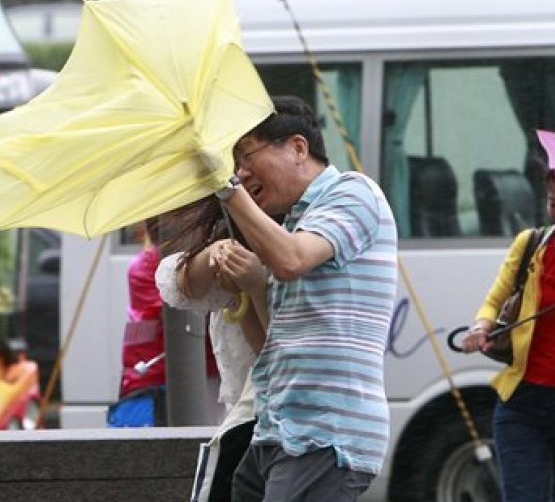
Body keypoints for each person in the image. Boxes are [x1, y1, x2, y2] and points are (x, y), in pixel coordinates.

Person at [213, 95, 399, 502]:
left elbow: (292, 260)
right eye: (233, 166)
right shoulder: (294, 224)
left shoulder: (354, 193)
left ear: (298, 148)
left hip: (327, 433)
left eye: (246, 157)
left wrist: (226, 190)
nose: (241, 174)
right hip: (278, 429)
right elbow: (271, 347)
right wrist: (248, 284)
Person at [461, 169, 555, 502]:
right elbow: (494, 301)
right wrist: (481, 329)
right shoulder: (531, 246)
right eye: (552, 202)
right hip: (524, 405)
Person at [155, 195, 271, 502]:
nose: (244, 173)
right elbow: (181, 284)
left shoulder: (293, 242)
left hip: (270, 414)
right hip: (249, 412)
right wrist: (215, 253)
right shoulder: (227, 231)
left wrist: (253, 287)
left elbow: (271, 353)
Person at [107, 217, 226, 428]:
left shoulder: (145, 264)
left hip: (187, 379)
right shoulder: (148, 266)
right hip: (158, 384)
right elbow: (190, 310)